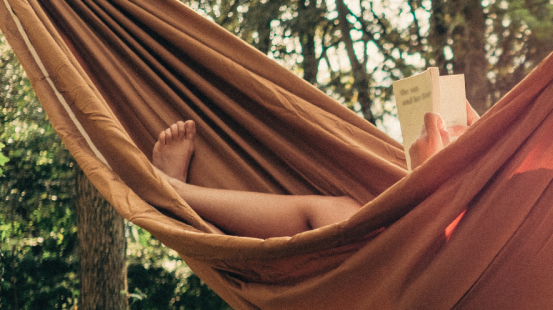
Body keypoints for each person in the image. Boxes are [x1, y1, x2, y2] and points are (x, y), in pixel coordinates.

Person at [152, 106, 477, 240]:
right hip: (433, 274)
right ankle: (176, 191)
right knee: (344, 211)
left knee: (332, 213)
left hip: (414, 298)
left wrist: (427, 172)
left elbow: (439, 252)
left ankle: (175, 191)